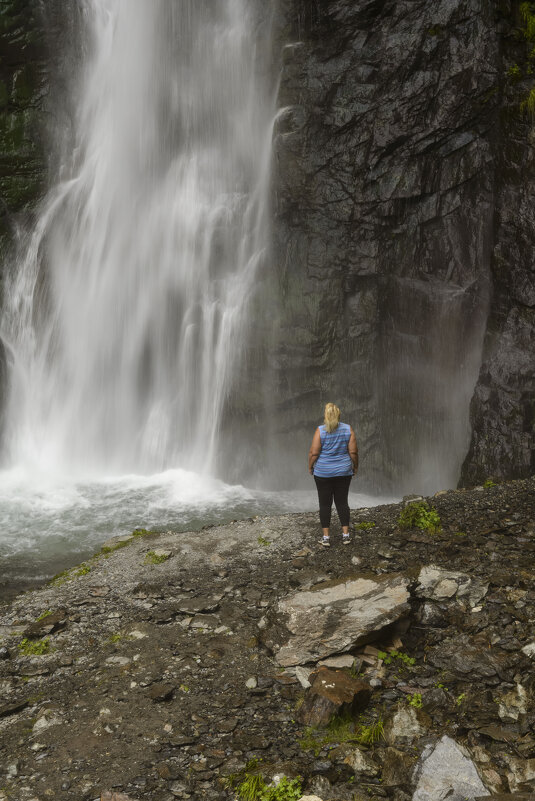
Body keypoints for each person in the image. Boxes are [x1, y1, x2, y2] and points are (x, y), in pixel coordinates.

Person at [308, 403, 358, 547]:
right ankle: (346, 535)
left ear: (326, 416)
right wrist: (355, 466)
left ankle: (326, 538)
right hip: (343, 472)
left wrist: (310, 466)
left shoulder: (320, 431)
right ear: (339, 415)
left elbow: (314, 453)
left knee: (325, 504)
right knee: (342, 502)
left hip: (323, 473)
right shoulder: (348, 429)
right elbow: (353, 452)